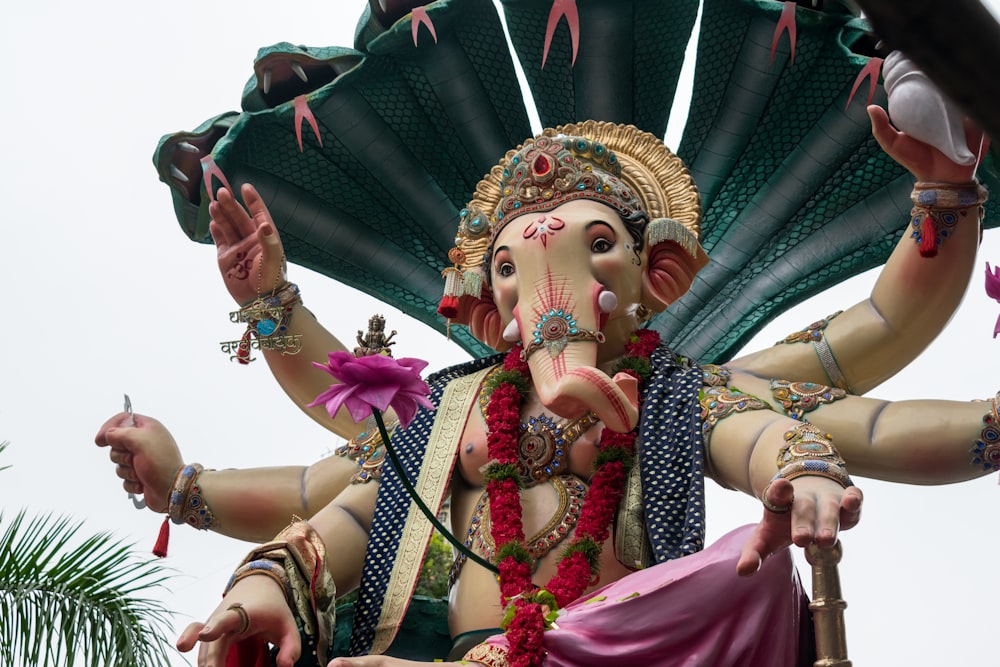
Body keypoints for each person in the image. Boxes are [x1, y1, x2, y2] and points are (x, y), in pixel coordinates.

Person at [96, 109, 990, 667]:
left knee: (753, 584)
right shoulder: (446, 416)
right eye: (514, 266)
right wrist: (256, 582)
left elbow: (795, 421)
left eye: (595, 246)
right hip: (455, 657)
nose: (551, 285)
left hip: (618, 648)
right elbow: (327, 512)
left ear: (654, 274)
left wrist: (796, 474)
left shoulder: (675, 391)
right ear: (490, 307)